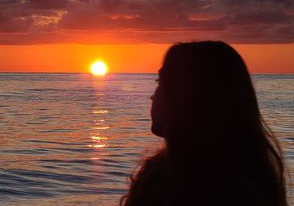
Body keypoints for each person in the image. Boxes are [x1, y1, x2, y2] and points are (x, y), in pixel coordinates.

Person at [121, 41, 288, 206]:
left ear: (187, 97)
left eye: (160, 82)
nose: (152, 96)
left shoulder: (218, 193)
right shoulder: (161, 171)